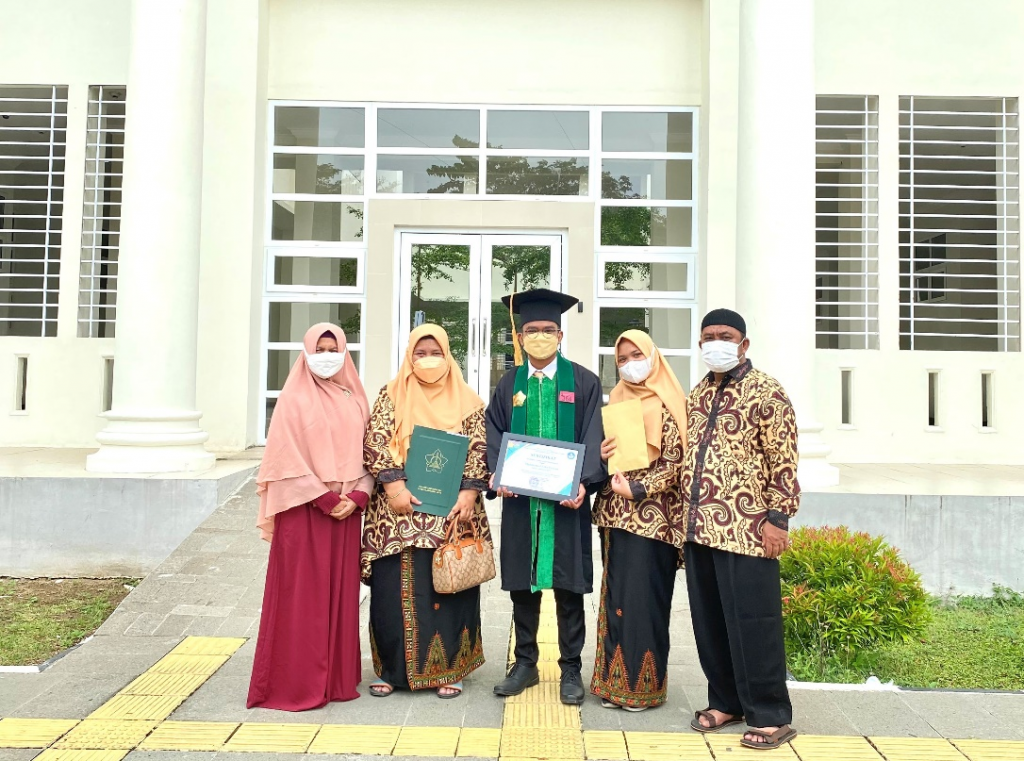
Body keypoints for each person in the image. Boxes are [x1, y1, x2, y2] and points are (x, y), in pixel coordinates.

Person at [683, 308, 800, 750]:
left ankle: (770, 714)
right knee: (710, 621)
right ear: (700, 344)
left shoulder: (767, 391)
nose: (717, 342)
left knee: (754, 621)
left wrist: (778, 519)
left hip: (749, 530)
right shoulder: (697, 395)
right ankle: (726, 701)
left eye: (726, 335)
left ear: (743, 344)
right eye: (709, 336)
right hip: (701, 529)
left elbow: (783, 460)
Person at [486, 288, 606, 706]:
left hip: (567, 506)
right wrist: (498, 473)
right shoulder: (509, 384)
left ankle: (571, 668)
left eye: (547, 330)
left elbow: (594, 435)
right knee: (523, 586)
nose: (540, 336)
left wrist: (583, 482)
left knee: (569, 588)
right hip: (522, 505)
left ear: (560, 335)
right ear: (519, 337)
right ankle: (525, 664)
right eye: (532, 330)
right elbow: (494, 431)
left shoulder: (583, 382)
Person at [361, 323, 491, 699]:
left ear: (448, 356)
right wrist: (394, 487)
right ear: (409, 356)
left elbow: (479, 448)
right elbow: (375, 441)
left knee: (448, 588)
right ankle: (391, 670)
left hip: (450, 512)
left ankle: (449, 669)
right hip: (397, 513)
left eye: (436, 353)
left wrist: (469, 493)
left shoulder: (468, 400)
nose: (428, 360)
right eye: (421, 354)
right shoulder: (391, 394)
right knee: (392, 592)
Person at [248, 323, 373, 711]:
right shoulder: (293, 398)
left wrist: (359, 494)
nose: (326, 356)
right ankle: (295, 682)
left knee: (340, 595)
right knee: (302, 597)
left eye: (333, 349)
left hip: (346, 512)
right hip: (304, 511)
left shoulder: (355, 397)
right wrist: (321, 496)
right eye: (319, 349)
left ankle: (335, 681)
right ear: (306, 352)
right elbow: (283, 456)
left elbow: (370, 452)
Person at [590, 330, 688, 712]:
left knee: (645, 600)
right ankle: (613, 684)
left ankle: (643, 687)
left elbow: (677, 463)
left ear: (653, 356)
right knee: (616, 599)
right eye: (622, 359)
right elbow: (609, 457)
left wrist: (640, 488)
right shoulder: (617, 400)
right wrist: (601, 454)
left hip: (654, 521)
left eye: (636, 355)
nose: (630, 364)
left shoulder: (671, 402)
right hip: (616, 517)